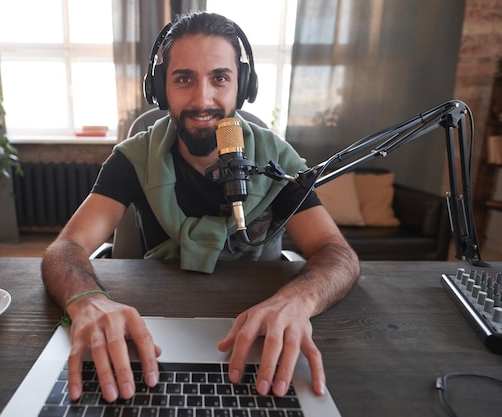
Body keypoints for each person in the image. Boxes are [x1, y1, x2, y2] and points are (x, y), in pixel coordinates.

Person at [42, 11, 360, 405]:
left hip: (262, 340)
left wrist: (298, 300)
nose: (202, 99)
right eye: (184, 79)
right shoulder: (132, 159)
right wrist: (86, 300)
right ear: (161, 88)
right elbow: (65, 248)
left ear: (242, 86)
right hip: (152, 339)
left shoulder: (278, 159)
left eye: (220, 78)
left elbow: (337, 252)